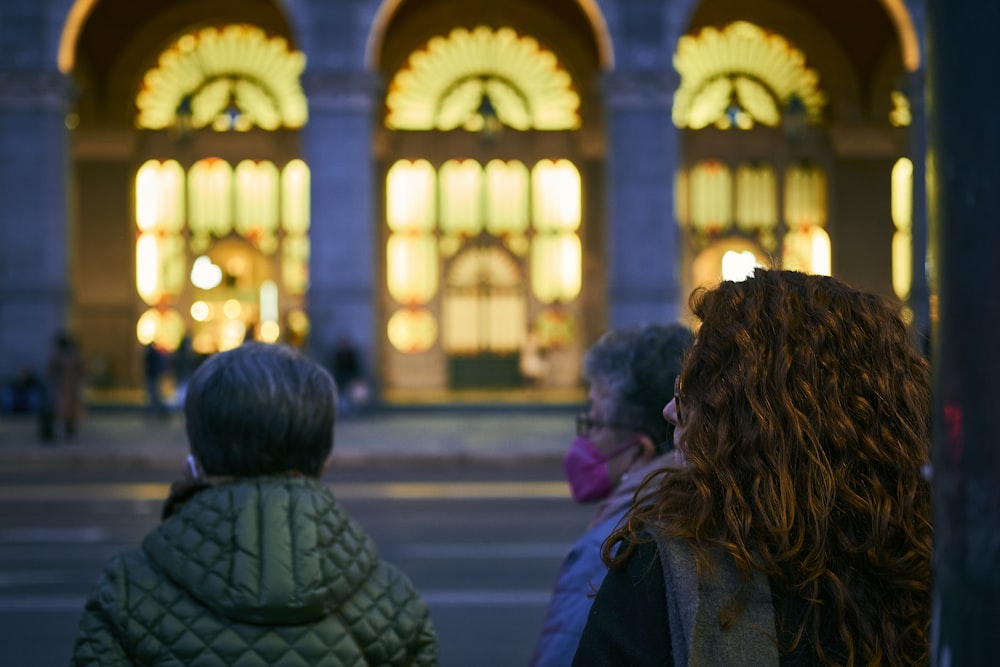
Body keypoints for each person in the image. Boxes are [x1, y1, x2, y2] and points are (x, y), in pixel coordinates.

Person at [573, 269, 932, 666]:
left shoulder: (666, 568)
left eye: (691, 389)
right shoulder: (937, 557)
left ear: (758, 419)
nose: (670, 410)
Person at [70, 342, 439, 666]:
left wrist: (180, 503)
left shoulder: (127, 591)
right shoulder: (392, 598)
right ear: (325, 460)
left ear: (195, 458)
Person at [531, 323, 694, 666]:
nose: (584, 439)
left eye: (595, 421)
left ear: (641, 450)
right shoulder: (703, 510)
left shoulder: (609, 548)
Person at [45, 331, 85, 441]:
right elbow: (52, 371)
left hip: (68, 388)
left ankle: (68, 432)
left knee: (68, 412)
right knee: (62, 412)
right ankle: (63, 433)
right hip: (64, 388)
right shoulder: (62, 357)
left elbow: (80, 371)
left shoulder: (69, 356)